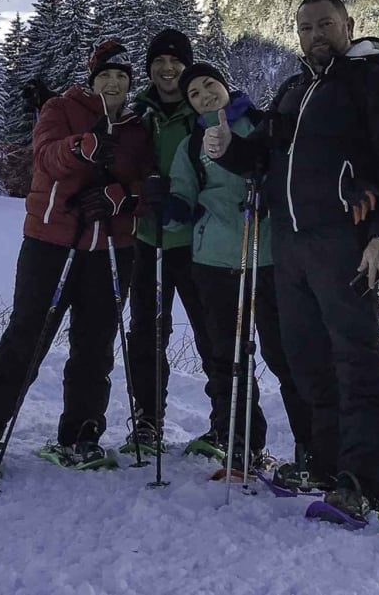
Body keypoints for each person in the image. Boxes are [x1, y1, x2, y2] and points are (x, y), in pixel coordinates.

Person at [206, 0, 379, 520]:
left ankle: (362, 482)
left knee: (356, 357)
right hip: (290, 243)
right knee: (306, 357)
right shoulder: (295, 88)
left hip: (346, 241)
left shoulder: (372, 79)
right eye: (305, 27)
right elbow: (269, 159)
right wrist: (231, 152)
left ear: (348, 25)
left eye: (325, 24)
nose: (315, 34)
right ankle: (322, 461)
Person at [0, 39, 160, 473]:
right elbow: (45, 158)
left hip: (112, 249)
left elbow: (149, 184)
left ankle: (80, 436)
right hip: (52, 243)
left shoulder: (139, 127)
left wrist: (120, 196)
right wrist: (83, 146)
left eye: (122, 77)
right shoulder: (60, 109)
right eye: (106, 75)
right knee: (27, 339)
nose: (114, 83)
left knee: (95, 347)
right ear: (92, 77)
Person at [164, 61, 311, 474]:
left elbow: (288, 177)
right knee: (227, 359)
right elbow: (182, 196)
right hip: (214, 262)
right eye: (194, 94)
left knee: (286, 357)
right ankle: (242, 445)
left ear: (226, 86)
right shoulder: (191, 145)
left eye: (210, 85)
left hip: (267, 260)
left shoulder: (263, 125)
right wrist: (167, 207)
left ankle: (311, 450)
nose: (205, 95)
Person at [123, 28, 217, 457]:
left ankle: (226, 425)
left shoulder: (203, 113)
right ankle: (147, 421)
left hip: (198, 244)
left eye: (175, 62)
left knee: (212, 335)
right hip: (149, 240)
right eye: (159, 61)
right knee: (146, 335)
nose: (167, 69)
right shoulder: (138, 114)